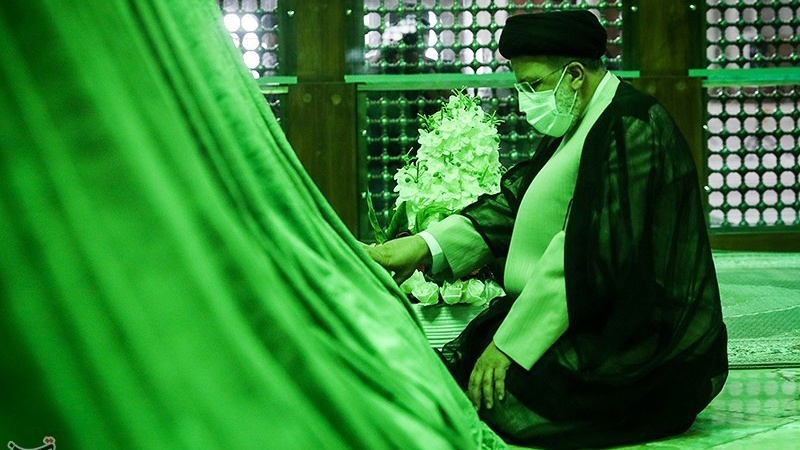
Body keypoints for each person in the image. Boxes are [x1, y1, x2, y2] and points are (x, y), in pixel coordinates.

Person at [365, 10, 728, 450]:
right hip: (579, 308)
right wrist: (422, 246)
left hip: (632, 335)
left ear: (574, 75)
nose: (524, 100)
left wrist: (511, 346)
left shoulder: (631, 126)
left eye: (533, 84)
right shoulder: (580, 119)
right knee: (459, 375)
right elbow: (517, 204)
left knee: (502, 399)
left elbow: (592, 253)